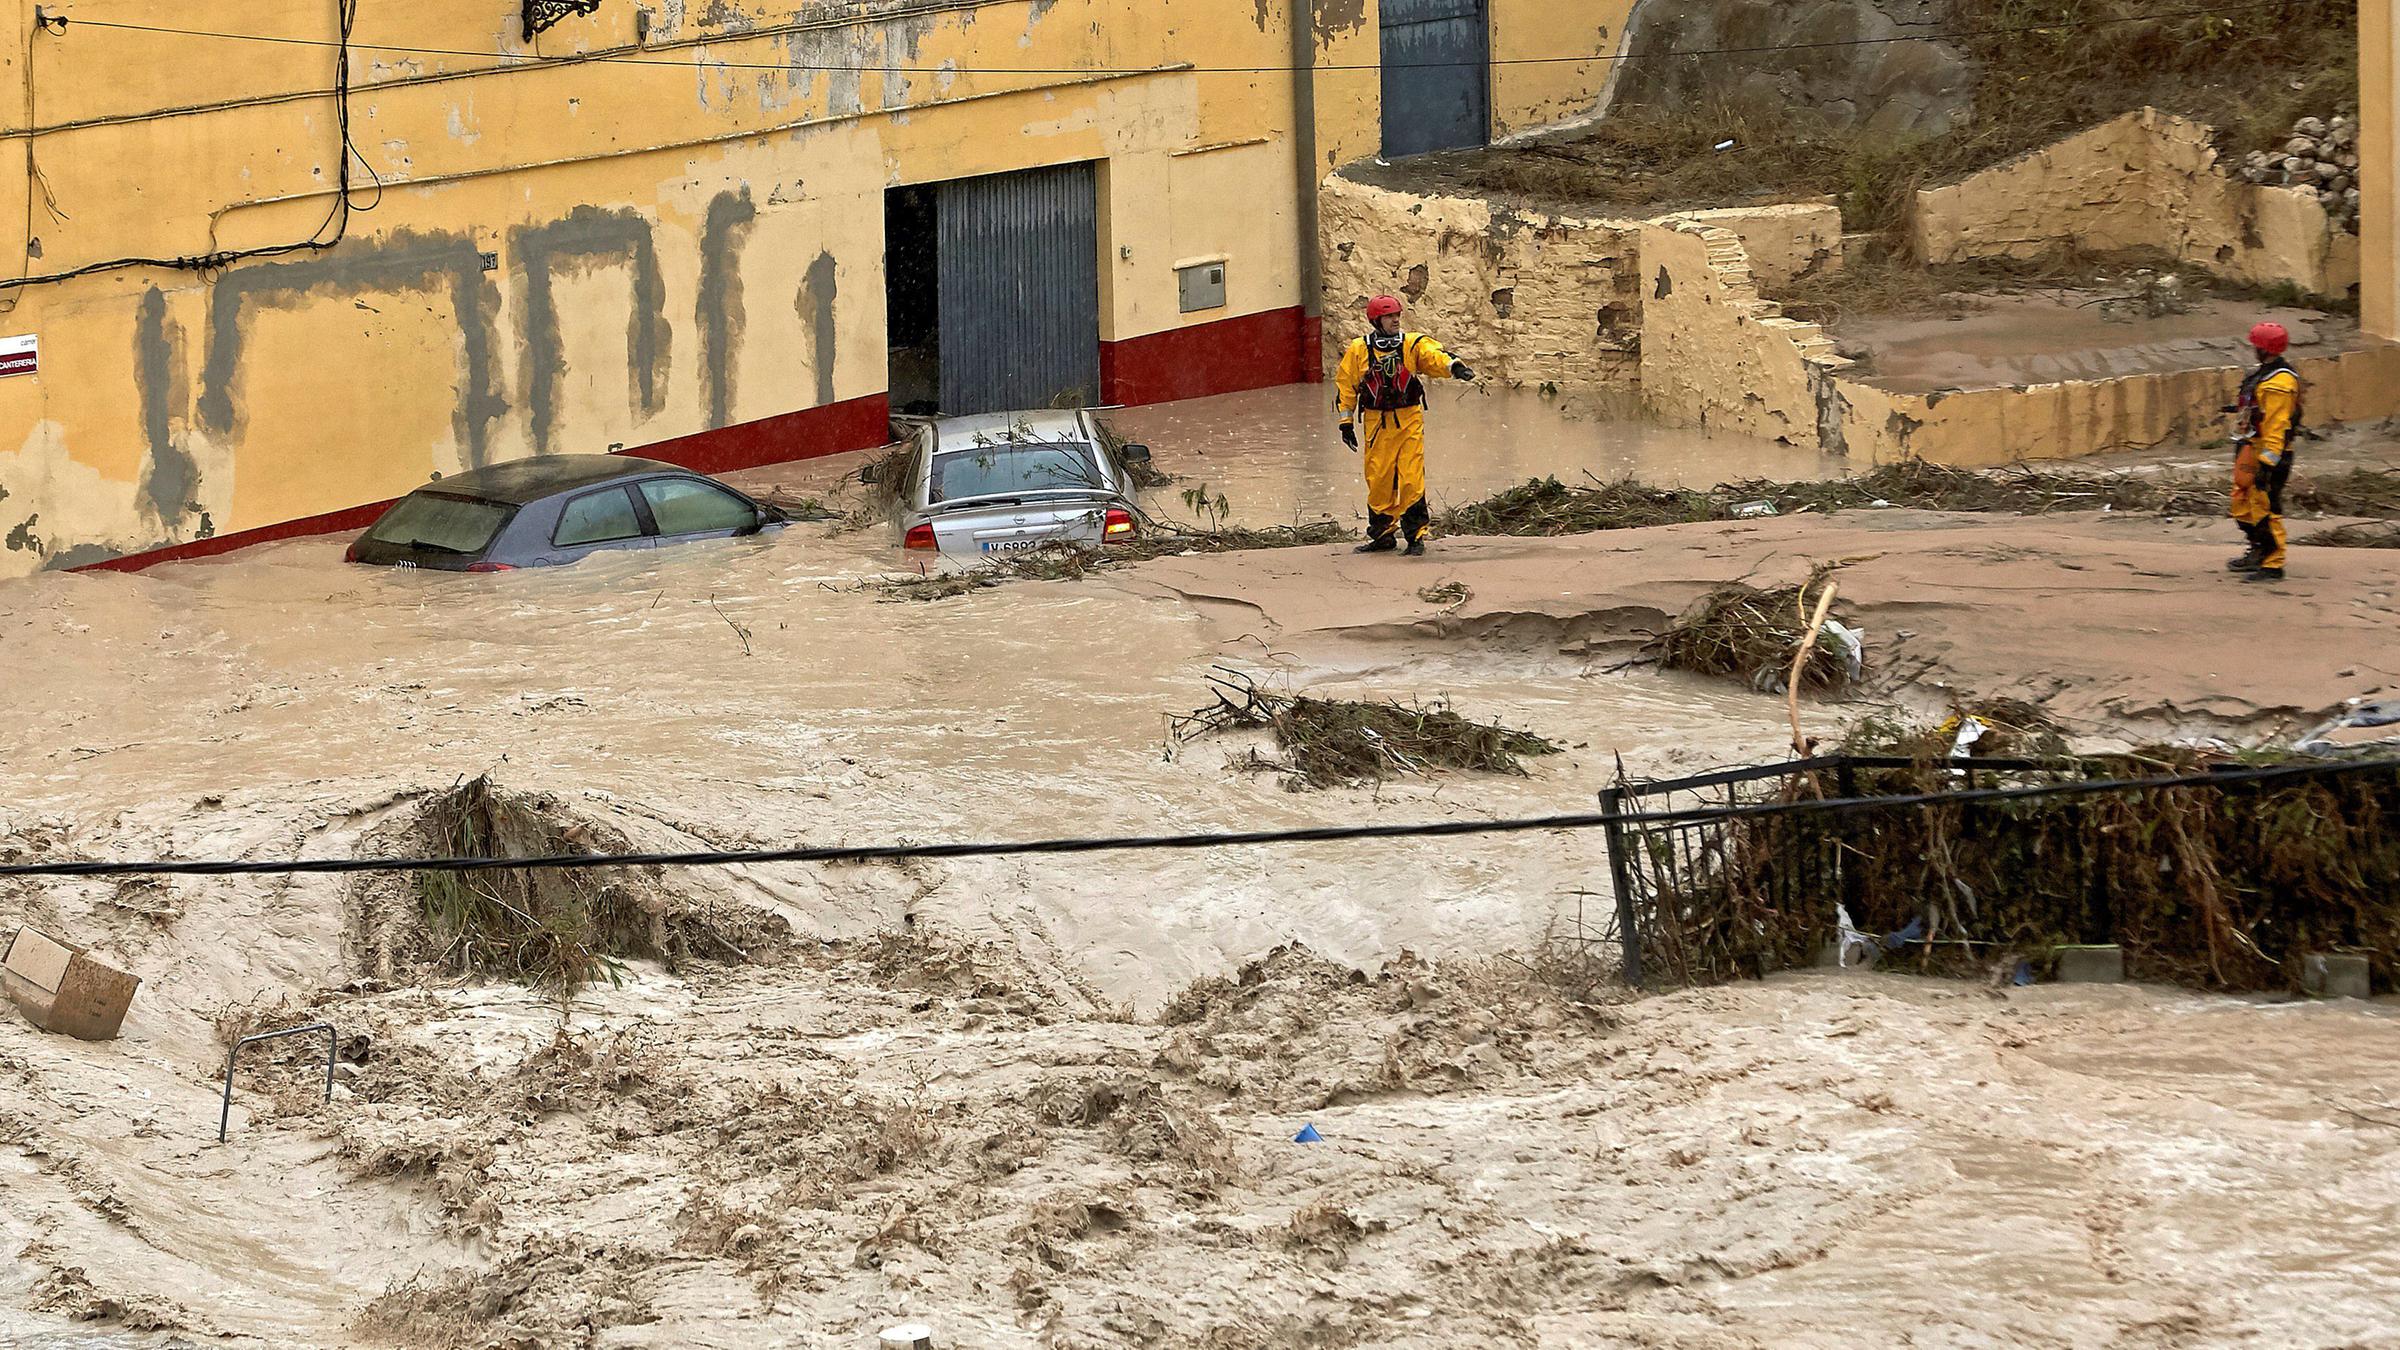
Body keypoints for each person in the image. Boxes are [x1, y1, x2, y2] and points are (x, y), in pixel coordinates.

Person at [1335, 294, 1475, 556]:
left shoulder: (1412, 344)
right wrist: (1345, 423)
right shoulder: (1359, 350)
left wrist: (1455, 368)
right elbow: (1347, 385)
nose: (1396, 320)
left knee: (1411, 478)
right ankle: (1383, 535)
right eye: (1389, 316)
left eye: (1397, 315)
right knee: (1379, 478)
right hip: (1377, 422)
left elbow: (1434, 357)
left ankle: (1415, 537)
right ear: (1377, 320)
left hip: (1409, 418)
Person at [2226, 321, 2303, 583]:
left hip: (2268, 452)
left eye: (2255, 345)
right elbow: (2260, 410)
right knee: (2241, 502)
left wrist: (2268, 463)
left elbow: (2277, 426)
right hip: (2250, 445)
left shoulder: (2279, 383)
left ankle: (2273, 564)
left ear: (2264, 348)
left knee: (2265, 507)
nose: (2252, 349)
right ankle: (2258, 550)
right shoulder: (2264, 374)